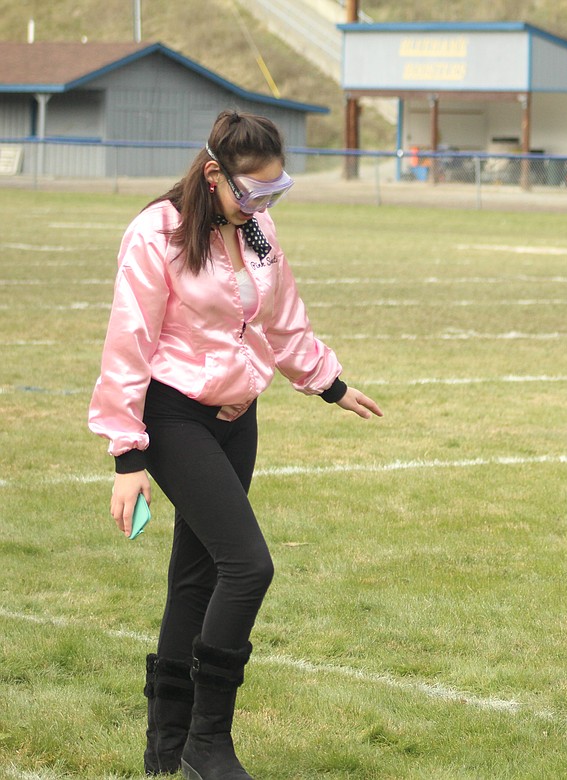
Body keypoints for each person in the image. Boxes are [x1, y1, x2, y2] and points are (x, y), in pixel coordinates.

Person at [88, 110, 383, 779]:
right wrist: (128, 457)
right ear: (213, 172)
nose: (262, 207)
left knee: (195, 577)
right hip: (173, 417)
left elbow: (281, 321)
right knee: (248, 567)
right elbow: (128, 345)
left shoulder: (257, 231)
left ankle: (165, 748)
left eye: (275, 194)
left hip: (236, 418)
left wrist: (327, 383)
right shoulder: (155, 234)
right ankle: (206, 746)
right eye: (252, 194)